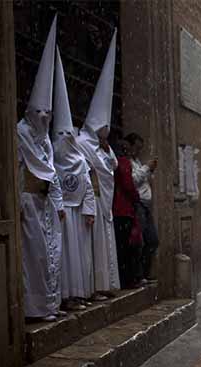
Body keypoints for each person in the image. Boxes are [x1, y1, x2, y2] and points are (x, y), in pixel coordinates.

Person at [18, 17, 65, 322]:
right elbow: (37, 167)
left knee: (52, 254)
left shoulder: (46, 138)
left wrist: (58, 201)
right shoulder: (21, 131)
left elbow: (53, 170)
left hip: (46, 204)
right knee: (34, 255)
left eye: (49, 113)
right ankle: (33, 308)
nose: (46, 118)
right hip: (30, 201)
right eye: (41, 112)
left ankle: (50, 305)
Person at [52, 49, 98, 310]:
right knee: (63, 258)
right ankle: (63, 297)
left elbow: (89, 188)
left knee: (78, 258)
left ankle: (78, 293)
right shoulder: (52, 160)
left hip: (78, 214)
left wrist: (88, 211)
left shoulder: (80, 161)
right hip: (61, 214)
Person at [77, 30, 121, 296]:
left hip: (104, 206)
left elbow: (112, 167)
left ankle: (106, 285)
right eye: (103, 128)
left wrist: (107, 149)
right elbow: (95, 171)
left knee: (105, 246)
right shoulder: (82, 142)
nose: (106, 132)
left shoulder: (102, 146)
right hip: (89, 203)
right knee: (90, 248)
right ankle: (93, 287)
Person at [126, 132, 159, 285]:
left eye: (140, 148)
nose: (139, 151)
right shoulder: (127, 162)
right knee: (138, 241)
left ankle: (144, 273)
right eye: (137, 147)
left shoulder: (137, 162)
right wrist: (147, 168)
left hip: (145, 205)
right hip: (138, 204)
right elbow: (133, 181)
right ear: (130, 146)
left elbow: (144, 180)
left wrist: (148, 170)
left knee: (152, 240)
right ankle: (137, 276)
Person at [113, 138, 142, 288]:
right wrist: (136, 197)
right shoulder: (122, 162)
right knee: (128, 246)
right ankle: (128, 280)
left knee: (122, 246)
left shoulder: (114, 161)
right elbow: (128, 184)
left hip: (118, 209)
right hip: (124, 209)